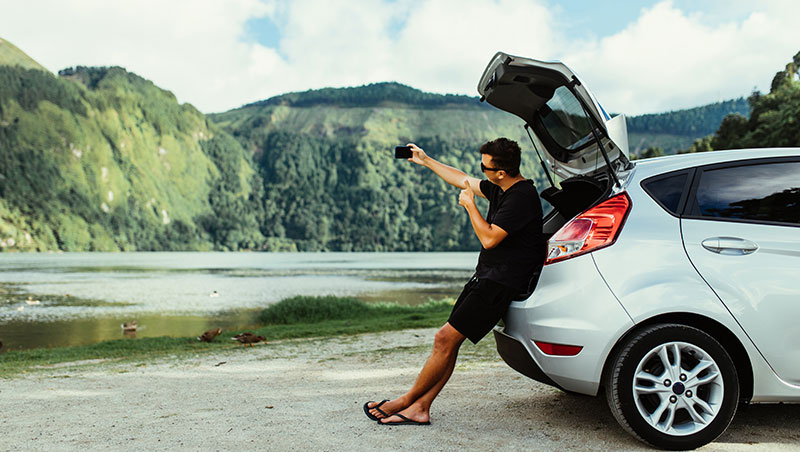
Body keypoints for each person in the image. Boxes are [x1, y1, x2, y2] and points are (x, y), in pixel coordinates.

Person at [364, 137, 546, 426]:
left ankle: (405, 401)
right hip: (486, 277)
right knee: (449, 342)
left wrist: (470, 206)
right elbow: (462, 179)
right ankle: (420, 408)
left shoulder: (521, 197)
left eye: (484, 167)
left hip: (498, 284)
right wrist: (425, 160)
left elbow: (489, 238)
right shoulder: (502, 187)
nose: (480, 171)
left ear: (501, 171)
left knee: (443, 338)